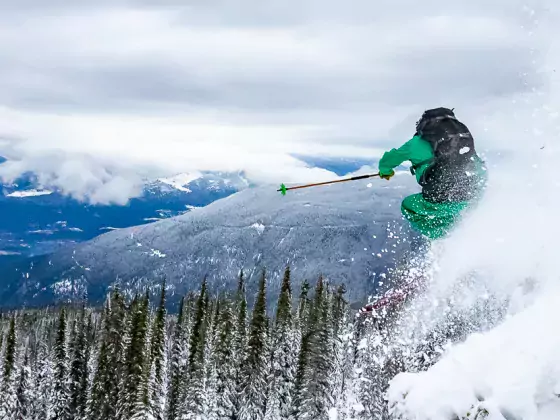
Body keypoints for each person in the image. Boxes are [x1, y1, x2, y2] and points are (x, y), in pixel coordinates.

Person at [378, 107, 487, 239]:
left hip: (443, 193)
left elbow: (390, 159)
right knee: (456, 210)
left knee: (409, 206)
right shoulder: (461, 139)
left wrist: (385, 171)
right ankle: (465, 228)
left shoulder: (416, 143)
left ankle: (442, 239)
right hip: (474, 189)